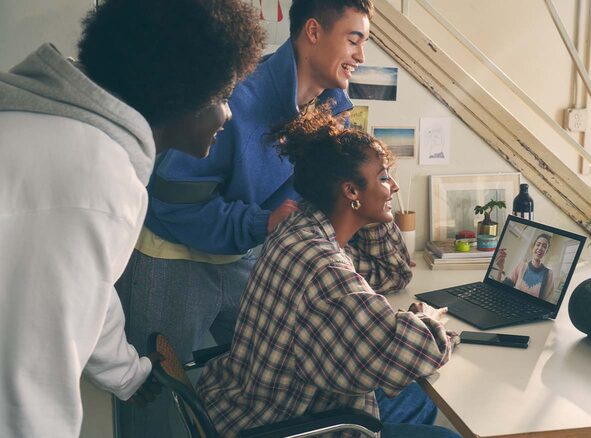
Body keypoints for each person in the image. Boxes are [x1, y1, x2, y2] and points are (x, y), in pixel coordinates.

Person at [114, 0, 390, 435]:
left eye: (364, 42)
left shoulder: (334, 108)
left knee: (265, 381)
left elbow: (302, 204)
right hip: (172, 258)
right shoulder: (236, 95)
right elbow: (170, 202)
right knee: (154, 408)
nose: (360, 55)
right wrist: (259, 224)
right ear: (313, 32)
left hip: (244, 257)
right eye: (353, 39)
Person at [0, 0, 264, 436]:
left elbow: (87, 289)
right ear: (183, 93)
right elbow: (29, 382)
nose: (228, 114)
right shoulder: (95, 177)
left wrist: (126, 373)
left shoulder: (70, 139)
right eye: (222, 96)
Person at [197, 108, 460, 438]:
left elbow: (391, 273)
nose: (392, 186)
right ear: (350, 191)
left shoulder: (302, 227)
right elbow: (413, 350)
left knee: (418, 400)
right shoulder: (325, 269)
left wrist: (371, 211)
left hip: (246, 403)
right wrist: (431, 320)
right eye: (382, 177)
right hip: (283, 423)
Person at [490, 233, 555, 300]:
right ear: (533, 247)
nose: (540, 248)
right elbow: (502, 289)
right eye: (538, 244)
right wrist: (500, 268)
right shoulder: (521, 266)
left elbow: (546, 302)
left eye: (544, 246)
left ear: (546, 251)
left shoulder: (549, 273)